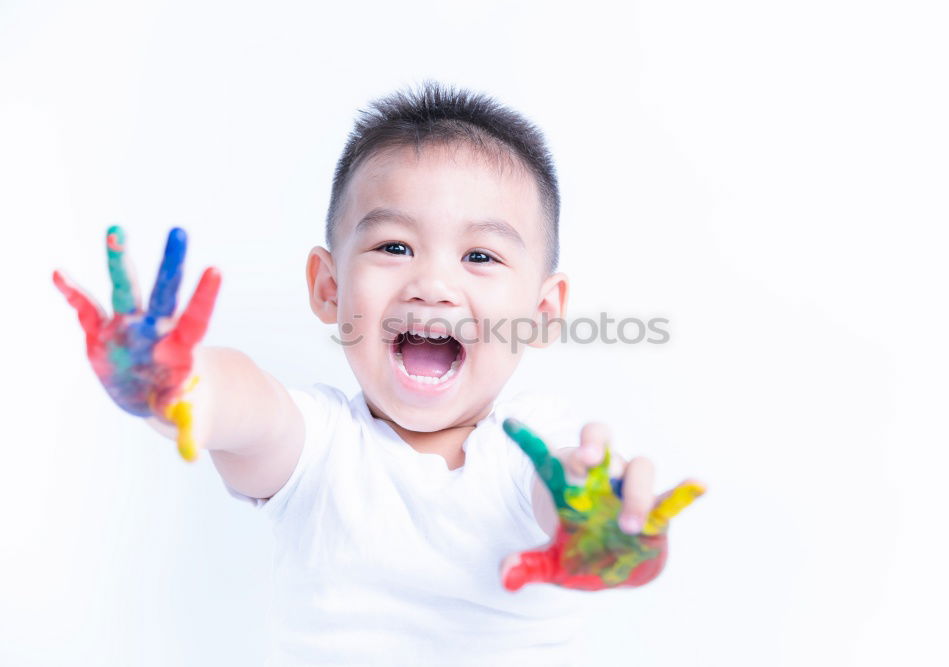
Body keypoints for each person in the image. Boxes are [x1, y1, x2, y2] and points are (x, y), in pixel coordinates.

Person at [53, 80, 684, 666]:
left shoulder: (539, 444)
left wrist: (612, 531)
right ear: (329, 286)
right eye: (394, 247)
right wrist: (181, 384)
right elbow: (251, 407)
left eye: (479, 255)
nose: (433, 284)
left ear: (542, 312)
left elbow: (568, 500)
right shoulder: (319, 445)